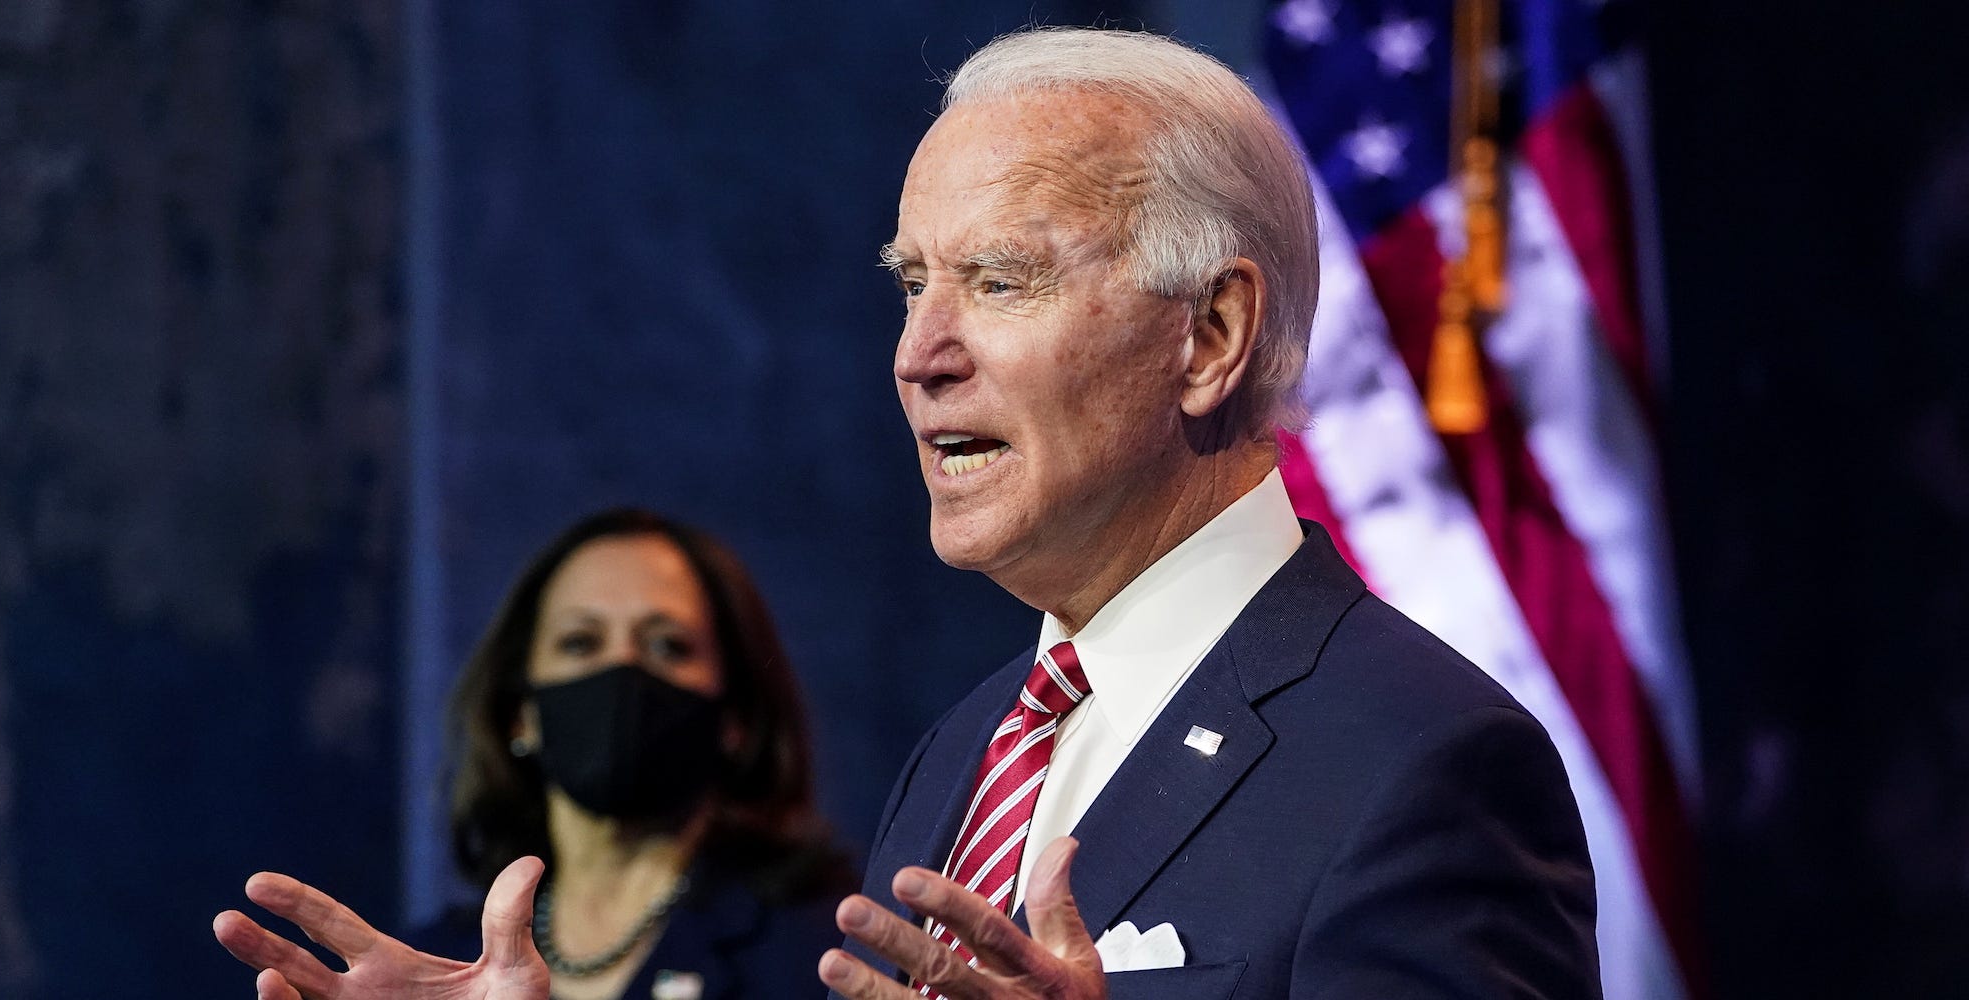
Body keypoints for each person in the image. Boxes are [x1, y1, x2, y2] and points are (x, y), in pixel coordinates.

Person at [215, 26, 1600, 1000]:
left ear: (1211, 333)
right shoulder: (965, 754)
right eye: (910, 284)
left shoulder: (1424, 762)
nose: (918, 351)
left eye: (997, 281)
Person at [220, 508, 853, 1000]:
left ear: (735, 717)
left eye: (666, 647)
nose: (622, 670)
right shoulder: (429, 969)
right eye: (581, 643)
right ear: (523, 712)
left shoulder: (827, 951)